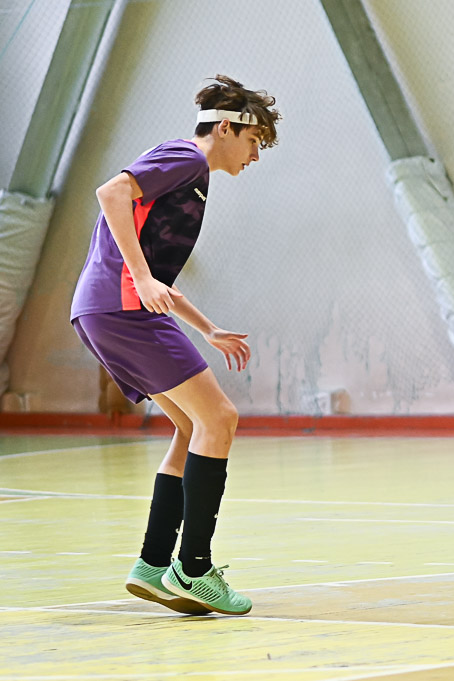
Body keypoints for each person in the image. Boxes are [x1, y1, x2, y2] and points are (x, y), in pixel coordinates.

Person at [70, 75, 281, 615]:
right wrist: (141, 278)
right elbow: (111, 193)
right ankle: (194, 569)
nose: (256, 156)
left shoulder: (190, 174)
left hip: (105, 309)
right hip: (122, 308)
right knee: (221, 418)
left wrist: (206, 328)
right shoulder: (186, 158)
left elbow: (157, 278)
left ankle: (152, 563)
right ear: (227, 128)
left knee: (192, 427)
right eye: (254, 142)